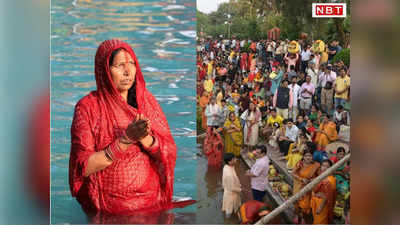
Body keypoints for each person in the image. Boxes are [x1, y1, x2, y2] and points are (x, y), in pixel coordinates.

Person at [69, 39, 188, 218]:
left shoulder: (146, 102)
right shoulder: (88, 107)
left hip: (152, 203)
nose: (128, 71)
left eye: (132, 63)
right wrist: (125, 140)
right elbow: (82, 167)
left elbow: (169, 152)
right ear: (104, 70)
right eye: (119, 65)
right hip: (110, 210)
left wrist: (146, 139)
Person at [292, 149, 320, 224]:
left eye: (310, 156)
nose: (308, 157)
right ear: (303, 157)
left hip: (308, 189)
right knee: (297, 204)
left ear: (312, 157)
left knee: (305, 206)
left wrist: (312, 180)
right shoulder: (300, 164)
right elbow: (293, 173)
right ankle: (298, 217)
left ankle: (304, 219)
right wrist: (301, 179)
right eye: (306, 156)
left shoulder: (316, 165)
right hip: (299, 187)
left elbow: (320, 176)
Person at [311, 159, 337, 224]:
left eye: (327, 167)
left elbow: (328, 196)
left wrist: (320, 207)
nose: (324, 168)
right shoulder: (321, 176)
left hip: (322, 205)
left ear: (330, 168)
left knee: (320, 222)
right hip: (316, 201)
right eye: (323, 166)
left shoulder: (330, 180)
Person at [204, 97, 224, 167]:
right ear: (210, 100)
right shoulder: (208, 106)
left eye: (214, 100)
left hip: (216, 123)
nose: (213, 101)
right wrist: (212, 114)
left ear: (215, 100)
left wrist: (217, 115)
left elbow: (221, 114)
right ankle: (210, 147)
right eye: (211, 100)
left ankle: (217, 148)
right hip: (210, 123)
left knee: (217, 136)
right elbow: (206, 114)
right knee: (209, 136)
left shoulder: (218, 106)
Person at [222, 153, 242, 218]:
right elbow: (232, 188)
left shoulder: (227, 166)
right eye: (234, 159)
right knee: (229, 210)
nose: (236, 159)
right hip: (231, 194)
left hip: (228, 191)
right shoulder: (229, 174)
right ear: (230, 162)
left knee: (229, 207)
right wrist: (241, 190)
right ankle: (228, 220)